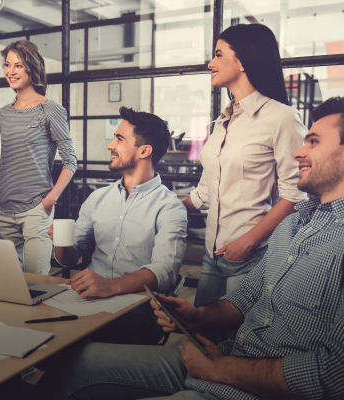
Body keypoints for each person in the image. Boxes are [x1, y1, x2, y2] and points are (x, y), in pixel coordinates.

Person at [29, 96, 344, 400]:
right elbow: (246, 298)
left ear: (145, 150)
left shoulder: (169, 207)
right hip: (225, 362)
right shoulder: (290, 226)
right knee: (76, 360)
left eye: (313, 141)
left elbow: (332, 375)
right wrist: (199, 315)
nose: (297, 153)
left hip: (238, 375)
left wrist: (222, 368)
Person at [182, 24, 307, 328]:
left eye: (218, 54)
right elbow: (205, 190)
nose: (210, 63)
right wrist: (162, 207)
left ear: (241, 61)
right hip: (213, 252)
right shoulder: (222, 122)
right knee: (201, 337)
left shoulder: (282, 118)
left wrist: (248, 242)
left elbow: (297, 194)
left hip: (252, 254)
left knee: (235, 345)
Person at [50, 106, 187, 345]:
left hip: (138, 306)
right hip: (86, 298)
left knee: (89, 338)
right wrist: (62, 242)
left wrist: (110, 286)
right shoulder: (97, 198)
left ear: (144, 150)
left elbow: (165, 271)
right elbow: (69, 259)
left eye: (119, 139)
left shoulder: (170, 207)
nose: (110, 145)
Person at [0, 40, 76, 275]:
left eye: (18, 65)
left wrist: (49, 200)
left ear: (32, 67)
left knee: (37, 282)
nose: (11, 71)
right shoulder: (4, 113)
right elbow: (8, 157)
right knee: (9, 282)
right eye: (7, 65)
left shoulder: (51, 109)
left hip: (35, 209)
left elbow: (70, 161)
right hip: (2, 208)